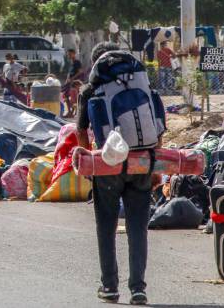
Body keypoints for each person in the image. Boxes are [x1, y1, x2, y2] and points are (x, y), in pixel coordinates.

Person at [77, 42, 162, 306]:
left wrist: (89, 166)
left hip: (109, 162)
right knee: (138, 226)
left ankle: (110, 286)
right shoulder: (142, 85)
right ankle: (138, 289)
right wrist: (153, 163)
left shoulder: (90, 89)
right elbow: (159, 129)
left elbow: (80, 132)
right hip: (142, 160)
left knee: (106, 225)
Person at [63, 49, 84, 117]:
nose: (69, 55)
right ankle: (70, 111)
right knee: (66, 96)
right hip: (70, 82)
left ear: (74, 53)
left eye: (70, 54)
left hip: (75, 83)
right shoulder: (71, 63)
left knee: (73, 97)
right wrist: (67, 79)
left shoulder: (77, 62)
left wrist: (72, 79)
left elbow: (80, 72)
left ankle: (72, 112)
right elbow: (70, 73)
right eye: (68, 54)